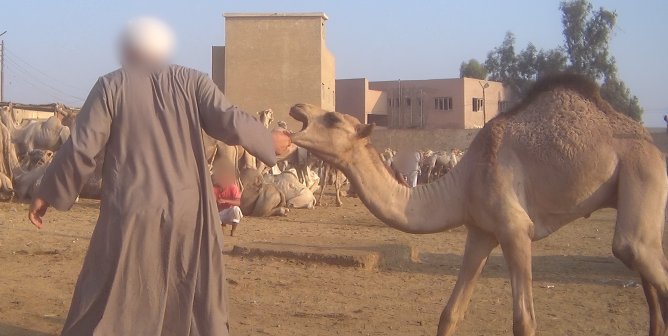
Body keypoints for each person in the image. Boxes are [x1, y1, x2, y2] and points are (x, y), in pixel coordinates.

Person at [27, 17, 292, 336]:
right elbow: (230, 120)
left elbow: (82, 147)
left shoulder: (111, 86)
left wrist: (48, 191)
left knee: (113, 288)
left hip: (132, 212)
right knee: (190, 289)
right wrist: (267, 139)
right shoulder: (194, 82)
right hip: (189, 213)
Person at [212, 168, 243, 236]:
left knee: (236, 209)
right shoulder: (214, 189)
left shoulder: (233, 188)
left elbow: (238, 203)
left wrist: (225, 201)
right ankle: (221, 227)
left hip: (229, 212)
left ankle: (233, 231)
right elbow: (211, 203)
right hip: (218, 213)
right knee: (214, 214)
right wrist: (216, 201)